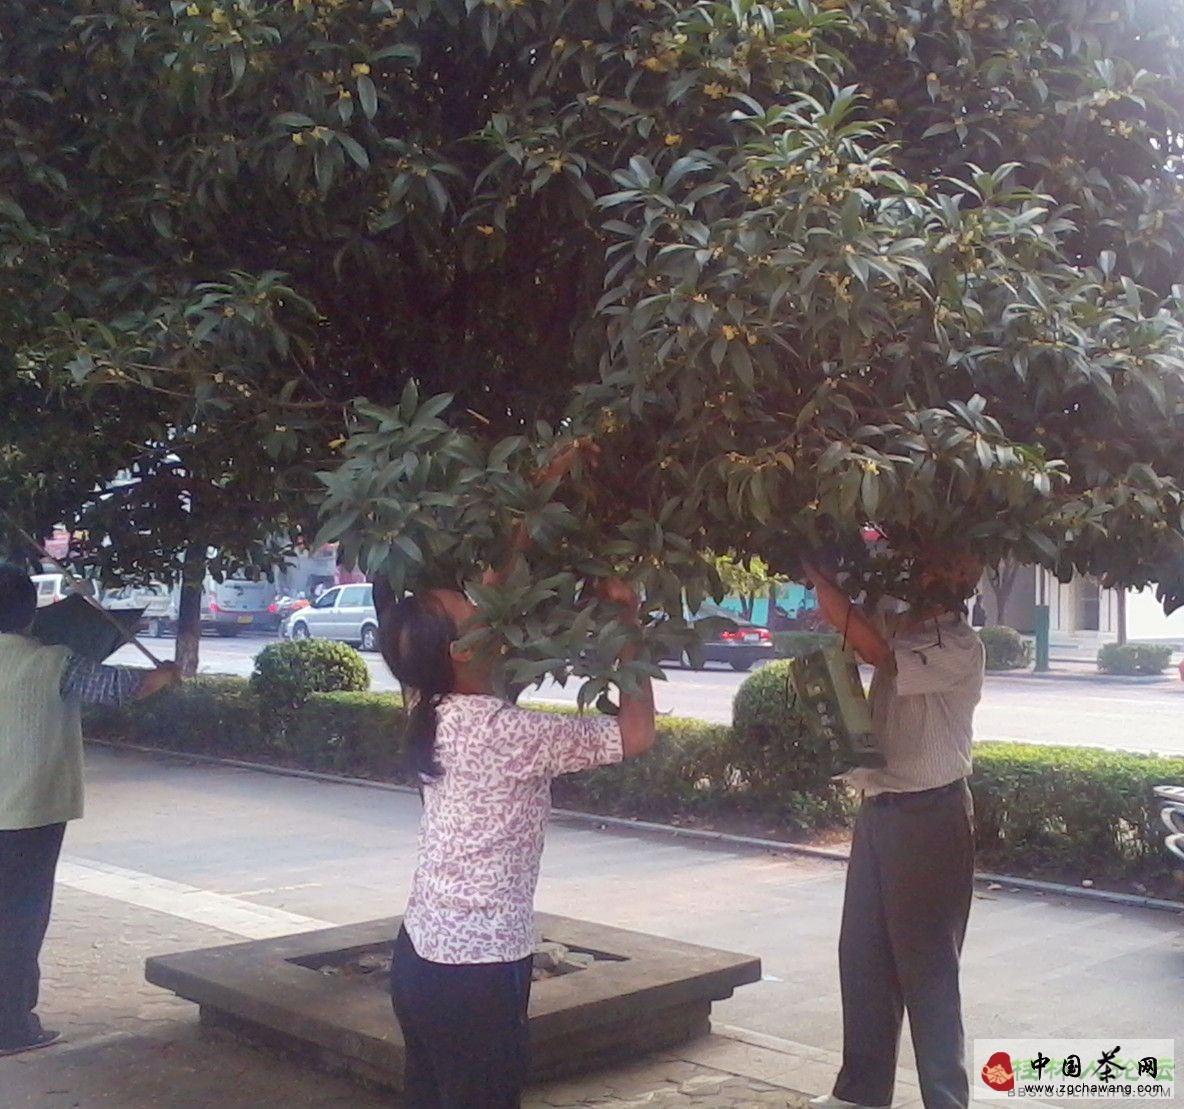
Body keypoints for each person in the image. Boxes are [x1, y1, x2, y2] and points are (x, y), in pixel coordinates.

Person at [376, 578, 655, 1109]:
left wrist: (527, 516)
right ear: (460, 651)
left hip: (419, 954)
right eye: (473, 608)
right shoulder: (509, 733)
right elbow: (636, 734)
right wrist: (627, 627)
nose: (490, 609)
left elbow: (491, 602)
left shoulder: (431, 709)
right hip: (476, 971)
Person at [803, 548, 985, 1109]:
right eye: (929, 563)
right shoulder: (903, 623)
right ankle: (860, 1094)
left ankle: (945, 1100)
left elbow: (876, 652)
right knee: (862, 957)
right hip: (880, 809)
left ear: (966, 580)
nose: (933, 572)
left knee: (927, 969)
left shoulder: (958, 644)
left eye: (950, 566)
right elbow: (862, 638)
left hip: (930, 815)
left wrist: (821, 580)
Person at [0, 563, 180, 1057]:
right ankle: (10, 1027)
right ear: (29, 613)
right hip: (28, 813)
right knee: (18, 918)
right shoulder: (52, 661)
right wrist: (163, 674)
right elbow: (122, 687)